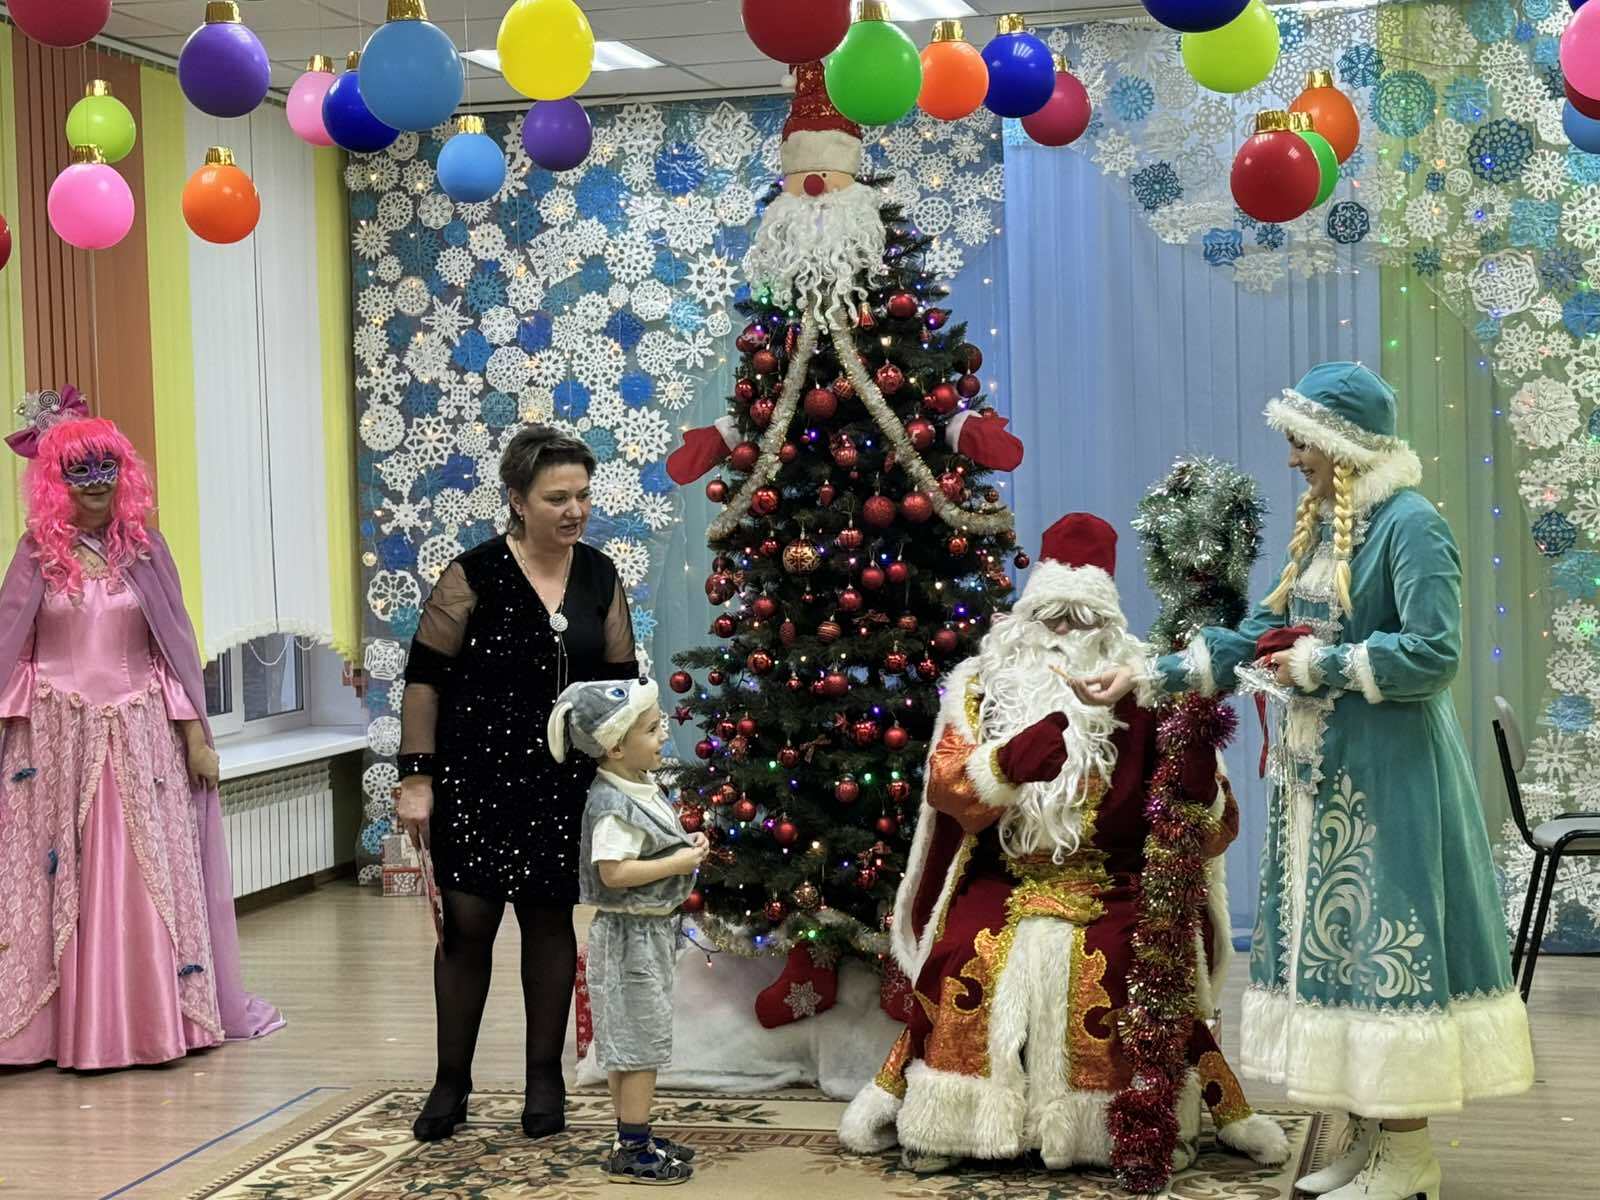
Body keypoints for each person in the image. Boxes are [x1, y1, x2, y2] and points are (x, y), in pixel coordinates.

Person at [1080, 363, 1535, 1200]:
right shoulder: (1331, 524)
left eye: (1301, 443)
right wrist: (1146, 675)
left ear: (1341, 443)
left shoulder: (1411, 526)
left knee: (1384, 947)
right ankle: (1370, 1138)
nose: (1292, 459)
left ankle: (1410, 1155)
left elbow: (1434, 653)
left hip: (1389, 782)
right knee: (1344, 951)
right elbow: (1259, 635)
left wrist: (1323, 664)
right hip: (1322, 783)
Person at [839, 513, 1286, 1183]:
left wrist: (1194, 777)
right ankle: (950, 1122)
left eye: (1082, 619)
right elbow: (946, 788)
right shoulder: (980, 684)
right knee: (966, 952)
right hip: (1005, 876)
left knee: (1122, 962)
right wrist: (1006, 764)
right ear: (1028, 615)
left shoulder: (1150, 688)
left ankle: (1129, 1127)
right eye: (1053, 617)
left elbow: (1213, 828)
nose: (1066, 633)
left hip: (1115, 880)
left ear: (1108, 622)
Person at [0, 387, 281, 1068]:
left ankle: (148, 1021)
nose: (96, 484)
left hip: (140, 736)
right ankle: (51, 1029)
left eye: (107, 468)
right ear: (55, 480)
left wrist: (195, 737)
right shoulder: (36, 554)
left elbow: (171, 652)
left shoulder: (147, 551)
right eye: (79, 471)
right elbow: (11, 649)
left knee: (139, 873)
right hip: (53, 742)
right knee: (53, 876)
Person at [395, 424, 637, 1142]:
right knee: (467, 928)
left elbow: (622, 685)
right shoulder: (470, 576)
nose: (575, 510)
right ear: (517, 500)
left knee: (549, 922)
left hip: (564, 784)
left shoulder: (600, 576)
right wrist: (416, 779)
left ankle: (543, 1079)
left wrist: (627, 774)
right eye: (557, 497)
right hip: (474, 777)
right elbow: (423, 681)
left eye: (582, 495)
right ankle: (451, 1081)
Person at [549, 676, 705, 1185]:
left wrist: (682, 845)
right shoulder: (612, 805)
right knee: (639, 1044)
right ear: (616, 746)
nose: (664, 734)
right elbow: (613, 872)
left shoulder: (637, 786)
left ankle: (631, 1136)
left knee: (632, 1038)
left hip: (645, 934)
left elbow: (648, 845)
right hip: (629, 938)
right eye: (652, 729)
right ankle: (632, 1149)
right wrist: (677, 863)